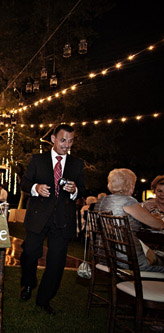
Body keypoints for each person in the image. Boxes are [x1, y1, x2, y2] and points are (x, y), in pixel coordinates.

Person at [19, 124, 86, 315]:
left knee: (56, 262)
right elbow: (24, 183)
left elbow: (83, 189)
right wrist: (36, 188)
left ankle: (44, 299)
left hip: (63, 220)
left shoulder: (77, 164)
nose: (67, 145)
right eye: (63, 140)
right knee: (30, 254)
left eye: (71, 141)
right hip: (38, 217)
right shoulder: (37, 160)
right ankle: (29, 283)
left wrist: (75, 191)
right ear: (53, 139)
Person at [97, 169, 164, 271]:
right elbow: (159, 225)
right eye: (133, 183)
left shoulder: (102, 201)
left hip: (104, 256)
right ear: (129, 184)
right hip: (128, 261)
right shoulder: (128, 201)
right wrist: (157, 218)